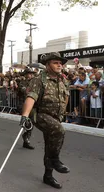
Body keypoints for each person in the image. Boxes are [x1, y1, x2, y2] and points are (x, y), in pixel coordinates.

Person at [19, 52, 70, 189]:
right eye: (55, 63)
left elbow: (66, 96)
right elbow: (31, 97)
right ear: (47, 65)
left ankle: (48, 176)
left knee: (50, 144)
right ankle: (55, 160)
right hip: (40, 114)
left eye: (60, 63)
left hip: (55, 116)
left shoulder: (62, 80)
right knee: (59, 130)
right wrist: (25, 115)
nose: (59, 65)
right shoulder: (39, 79)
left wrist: (62, 113)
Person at [18, 67, 36, 150]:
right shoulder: (22, 82)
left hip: (33, 105)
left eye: (31, 73)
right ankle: (26, 139)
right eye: (28, 73)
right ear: (25, 75)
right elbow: (25, 91)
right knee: (28, 122)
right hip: (25, 104)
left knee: (32, 122)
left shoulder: (34, 82)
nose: (30, 75)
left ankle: (26, 137)